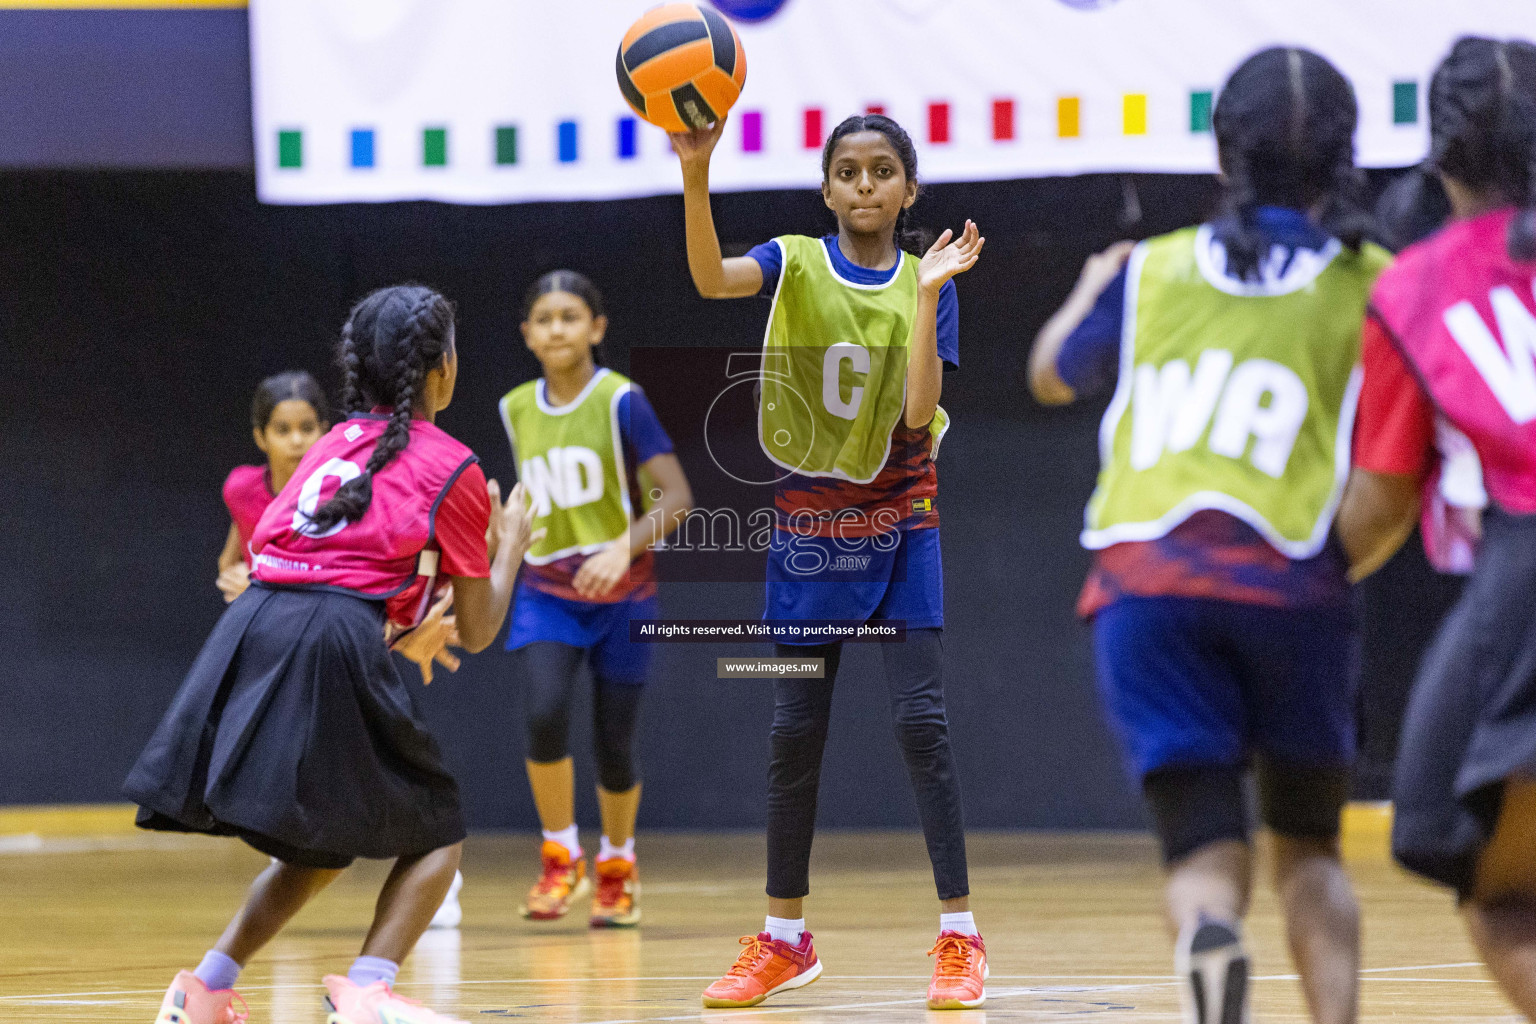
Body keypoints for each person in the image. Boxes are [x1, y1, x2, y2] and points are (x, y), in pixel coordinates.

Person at [1028, 47, 1388, 1024]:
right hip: (1290, 580)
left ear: (1224, 153)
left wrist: (1094, 280)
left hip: (1147, 583)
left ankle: (1206, 936)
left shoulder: (1149, 270)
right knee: (1309, 847)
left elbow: (1053, 370)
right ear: (1346, 158)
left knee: (1199, 845)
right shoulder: (1376, 283)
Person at [126, 284, 539, 1024]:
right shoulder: (457, 467)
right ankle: (370, 992)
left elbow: (291, 559)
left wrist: (394, 622)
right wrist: (508, 550)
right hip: (330, 636)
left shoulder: (328, 447)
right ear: (442, 369)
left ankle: (207, 988)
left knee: (319, 839)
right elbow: (478, 631)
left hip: (255, 625)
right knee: (439, 830)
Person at [674, 111, 988, 1010]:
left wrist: (927, 295)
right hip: (812, 531)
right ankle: (783, 939)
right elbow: (709, 277)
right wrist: (697, 174)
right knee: (792, 736)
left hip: (903, 521)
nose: (863, 185)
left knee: (921, 727)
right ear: (825, 188)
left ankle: (960, 937)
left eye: (882, 171)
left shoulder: (931, 279)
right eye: (847, 170)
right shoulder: (795, 262)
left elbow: (920, 412)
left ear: (909, 190)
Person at [1337, 36, 1536, 1021]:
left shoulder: (1414, 284)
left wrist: (1298, 575)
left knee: (1487, 879)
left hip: (1522, 574)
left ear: (1440, 155)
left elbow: (1379, 501)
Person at [498, 269, 691, 927]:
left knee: (615, 741)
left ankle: (617, 862)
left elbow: (677, 497)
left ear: (596, 328)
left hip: (623, 594)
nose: (557, 328)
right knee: (544, 713)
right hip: (547, 588)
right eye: (544, 318)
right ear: (527, 334)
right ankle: (561, 856)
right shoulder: (515, 407)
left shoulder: (622, 401)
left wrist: (622, 547)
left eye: (570, 316)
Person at [216, 371, 329, 603]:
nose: (296, 441)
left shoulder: (341, 495)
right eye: (283, 430)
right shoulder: (241, 489)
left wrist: (258, 590)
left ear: (324, 431)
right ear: (260, 437)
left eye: (307, 428)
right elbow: (227, 564)